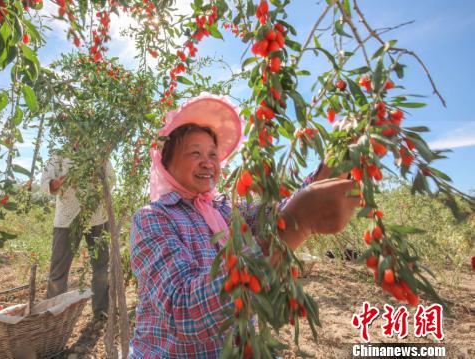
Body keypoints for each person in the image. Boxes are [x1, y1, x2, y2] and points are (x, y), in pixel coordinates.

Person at [130, 93, 359, 357]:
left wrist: (337, 158)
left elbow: (278, 214)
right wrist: (297, 226)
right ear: (166, 164)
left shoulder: (225, 209)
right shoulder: (153, 219)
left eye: (213, 154)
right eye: (195, 153)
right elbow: (182, 311)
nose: (208, 161)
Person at [40, 148, 113, 320]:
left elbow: (111, 179)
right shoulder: (58, 156)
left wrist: (99, 179)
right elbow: (45, 184)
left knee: (101, 266)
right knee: (58, 270)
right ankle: (55, 316)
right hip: (67, 218)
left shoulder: (98, 153)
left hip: (97, 215)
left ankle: (101, 312)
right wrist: (59, 183)